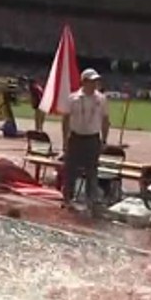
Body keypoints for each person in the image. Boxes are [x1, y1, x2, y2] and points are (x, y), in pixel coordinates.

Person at [61, 68, 110, 210]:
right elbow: (65, 119)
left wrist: (104, 140)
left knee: (92, 171)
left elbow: (105, 120)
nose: (95, 84)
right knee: (71, 170)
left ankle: (91, 201)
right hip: (76, 137)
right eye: (91, 81)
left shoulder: (101, 99)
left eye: (96, 81)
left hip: (93, 138)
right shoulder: (73, 98)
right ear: (84, 82)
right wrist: (65, 139)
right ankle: (67, 198)